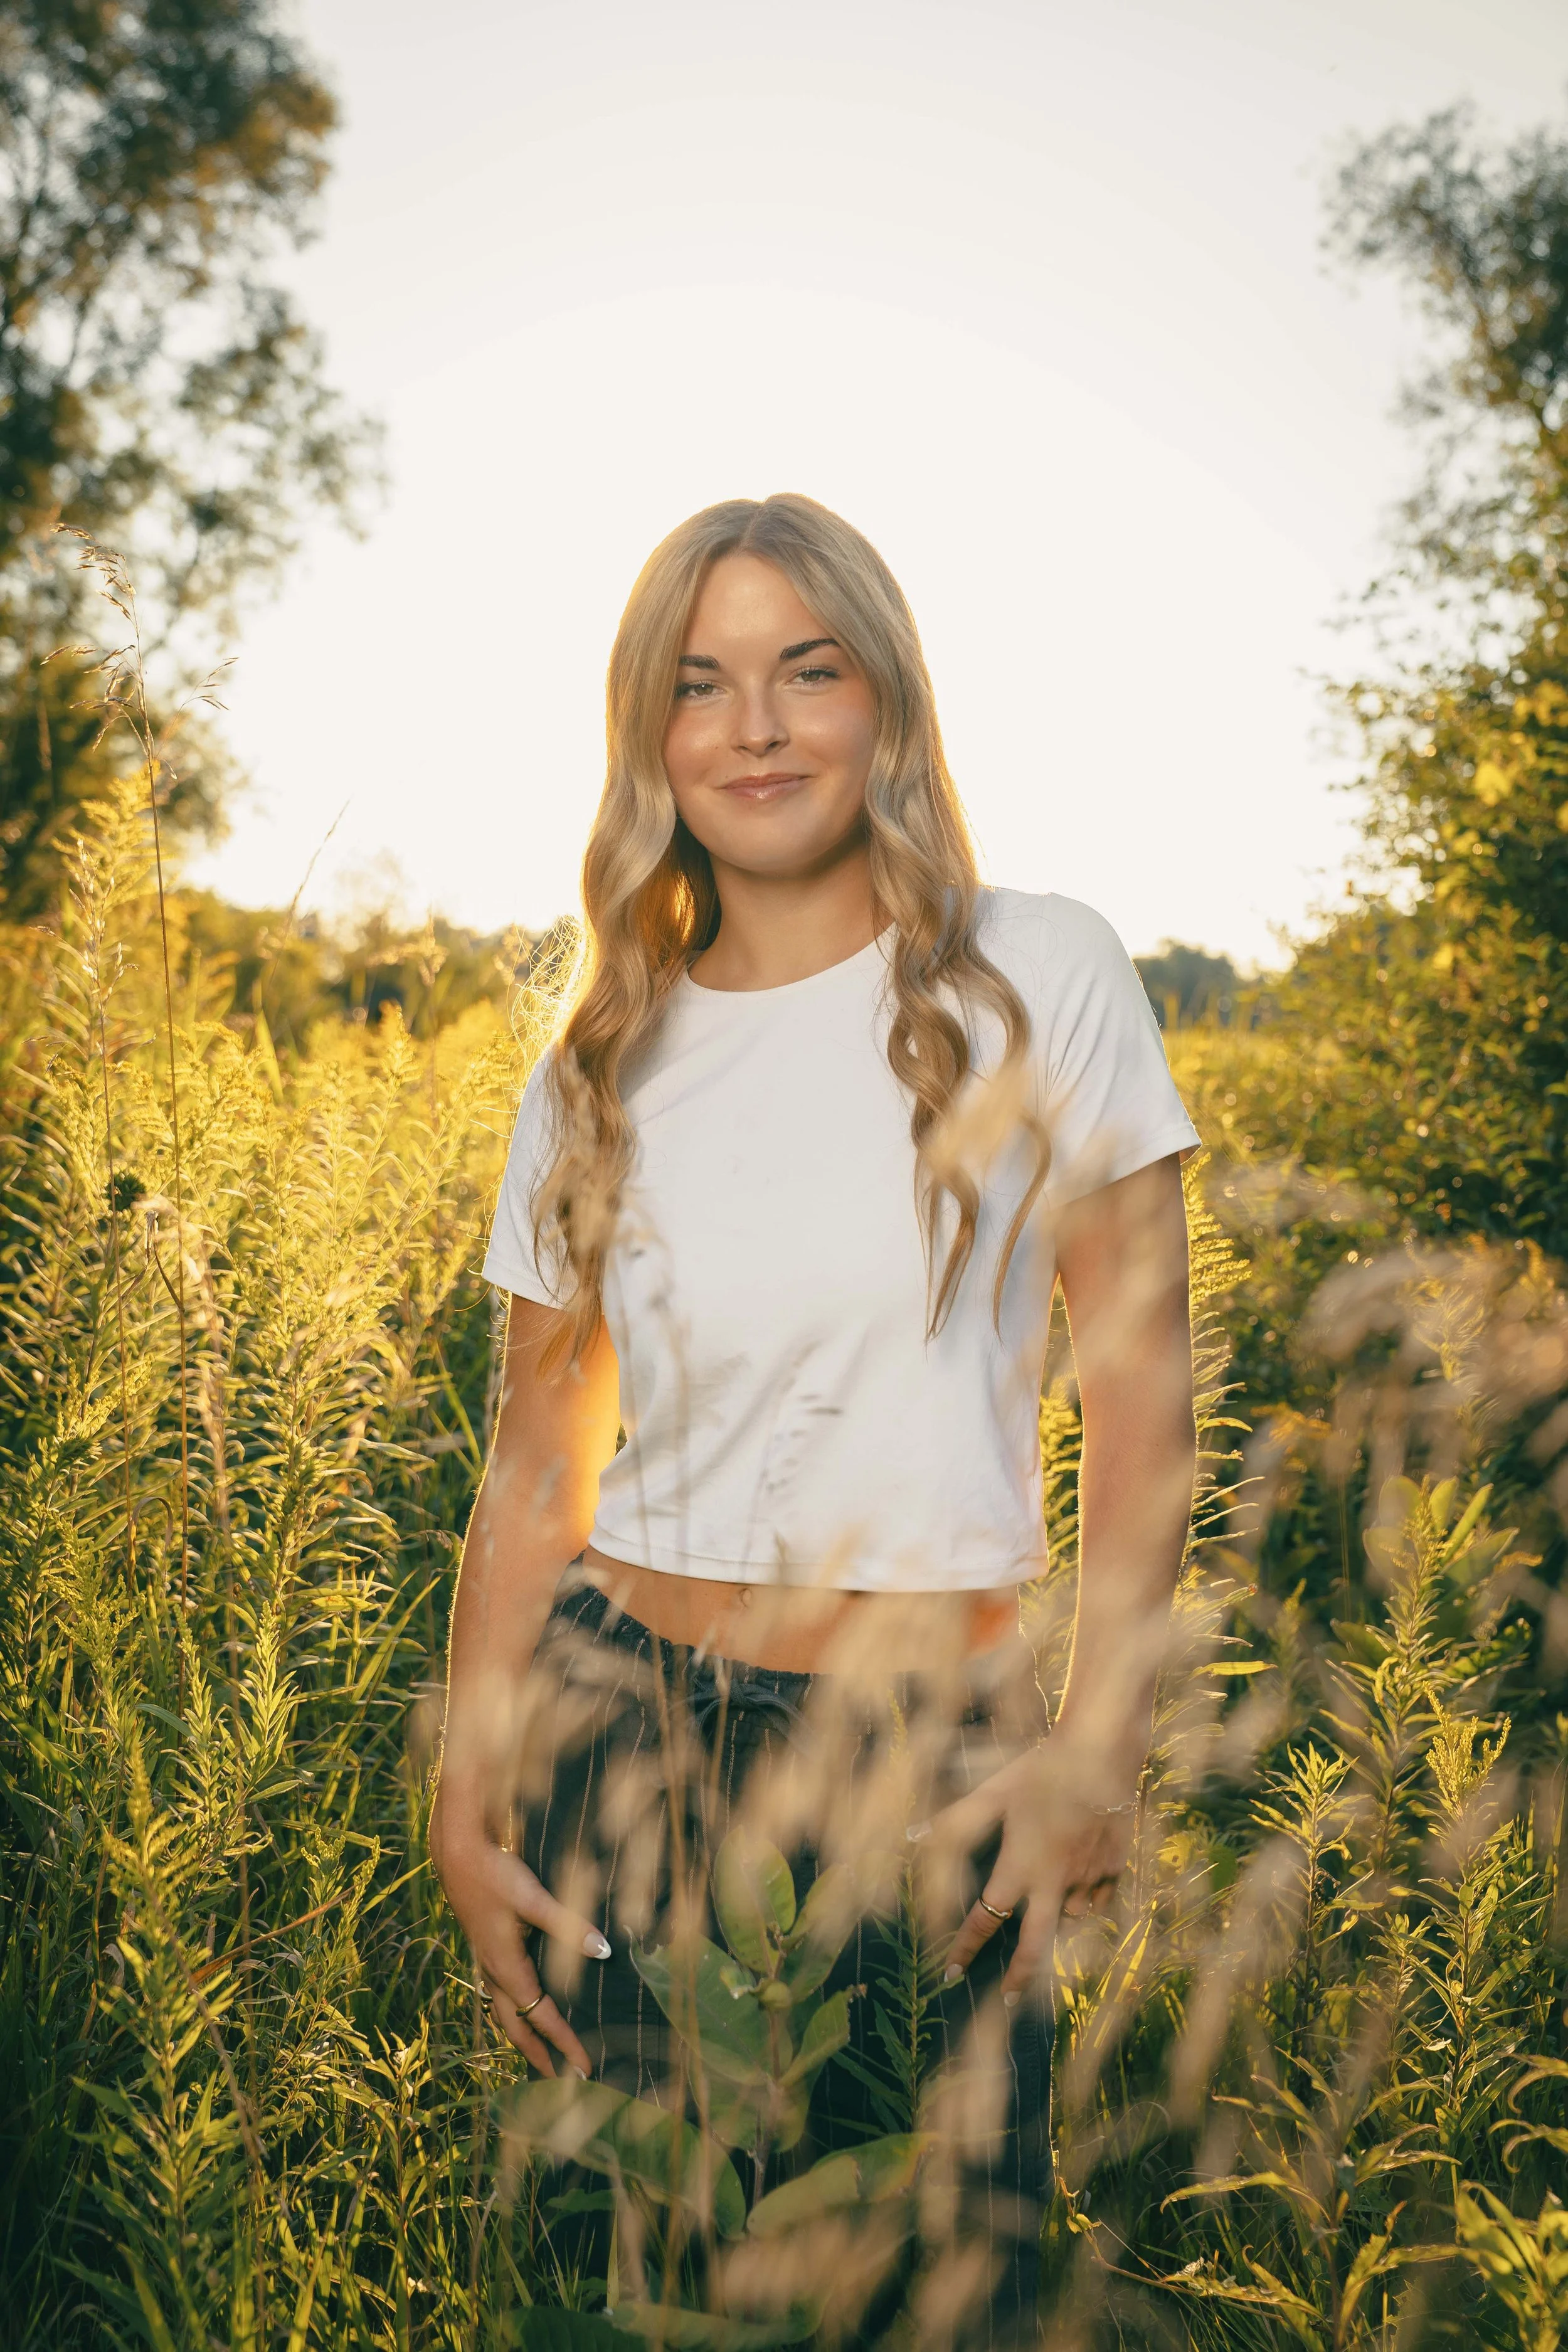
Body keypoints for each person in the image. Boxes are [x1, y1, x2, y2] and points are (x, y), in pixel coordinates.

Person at [431, 494, 1199, 2347]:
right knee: (655, 2291)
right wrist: (468, 1793)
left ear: (886, 705)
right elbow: (538, 1464)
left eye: (806, 668)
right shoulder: (601, 1057)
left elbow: (1145, 1390)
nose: (754, 726)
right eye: (699, 683)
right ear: (648, 733)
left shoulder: (1036, 970)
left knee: (942, 2294)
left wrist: (1093, 1751)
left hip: (926, 1753)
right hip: (619, 1739)